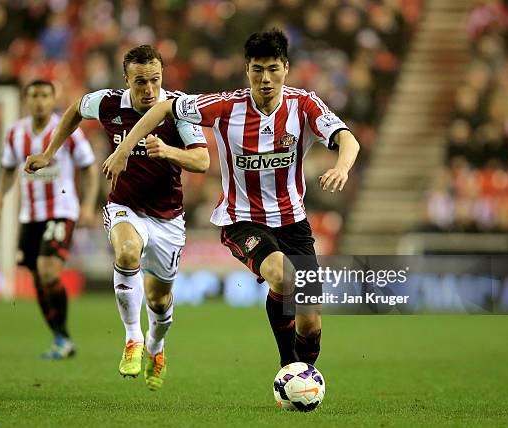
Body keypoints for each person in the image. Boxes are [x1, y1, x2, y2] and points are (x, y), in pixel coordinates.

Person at [103, 30, 360, 367]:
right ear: (247, 70)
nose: (265, 79)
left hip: (293, 223)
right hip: (242, 221)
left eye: (272, 69)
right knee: (282, 276)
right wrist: (124, 149)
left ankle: (305, 372)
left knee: (310, 325)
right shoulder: (227, 105)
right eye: (257, 70)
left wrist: (341, 166)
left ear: (286, 68)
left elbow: (347, 139)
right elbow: (164, 108)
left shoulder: (304, 104)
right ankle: (289, 367)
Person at [24, 45, 209, 390]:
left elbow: (202, 161)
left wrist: (166, 151)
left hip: (168, 217)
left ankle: (156, 345)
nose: (149, 89)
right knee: (126, 253)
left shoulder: (178, 108)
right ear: (126, 80)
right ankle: (132, 338)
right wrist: (50, 152)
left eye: (155, 80)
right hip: (125, 206)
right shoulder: (109, 102)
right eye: (140, 82)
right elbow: (74, 110)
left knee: (159, 300)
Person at [0, 79, 99, 359]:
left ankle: (62, 338)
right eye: (34, 95)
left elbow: (88, 168)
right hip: (30, 215)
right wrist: (0, 197)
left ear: (54, 99)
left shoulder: (68, 131)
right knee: (39, 277)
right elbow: (6, 169)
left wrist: (88, 204)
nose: (39, 101)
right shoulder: (15, 133)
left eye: (45, 95)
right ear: (26, 100)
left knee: (49, 270)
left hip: (62, 210)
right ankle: (60, 337)